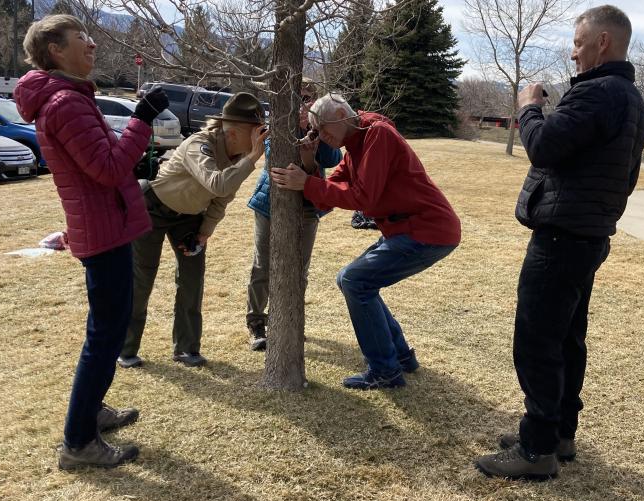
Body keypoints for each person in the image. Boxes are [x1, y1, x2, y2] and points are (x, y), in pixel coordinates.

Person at [474, 5, 644, 480]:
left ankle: (537, 450)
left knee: (537, 342)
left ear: (603, 42)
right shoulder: (631, 100)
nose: (573, 53)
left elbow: (543, 146)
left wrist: (529, 106)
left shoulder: (597, 93)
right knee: (567, 338)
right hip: (588, 235)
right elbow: (625, 176)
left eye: (577, 43)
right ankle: (559, 433)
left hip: (561, 238)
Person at [14, 14, 170, 469]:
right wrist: (142, 118)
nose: (93, 43)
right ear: (55, 50)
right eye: (81, 37)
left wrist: (135, 133)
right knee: (105, 337)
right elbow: (108, 169)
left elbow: (103, 162)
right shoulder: (65, 103)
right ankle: (79, 441)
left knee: (106, 330)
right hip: (104, 234)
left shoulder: (69, 97)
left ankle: (92, 412)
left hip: (105, 227)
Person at [270, 94, 460, 390]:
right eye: (315, 130)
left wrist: (307, 184)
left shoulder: (377, 135)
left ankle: (385, 371)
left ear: (342, 116)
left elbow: (363, 197)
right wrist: (309, 164)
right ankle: (401, 356)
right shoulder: (354, 146)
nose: (320, 135)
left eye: (322, 128)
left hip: (427, 230)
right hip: (408, 230)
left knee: (355, 281)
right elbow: (329, 193)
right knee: (355, 281)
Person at [117, 93, 268, 368]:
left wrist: (204, 232)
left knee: (192, 281)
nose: (259, 140)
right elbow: (218, 184)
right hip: (152, 208)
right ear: (233, 133)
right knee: (142, 278)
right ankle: (126, 349)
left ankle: (186, 349)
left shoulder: (239, 154)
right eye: (255, 134)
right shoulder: (199, 144)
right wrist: (254, 157)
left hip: (190, 218)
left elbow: (223, 198)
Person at [245, 85, 342, 351]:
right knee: (263, 265)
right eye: (297, 98)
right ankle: (256, 323)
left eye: (307, 98)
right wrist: (293, 132)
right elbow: (271, 157)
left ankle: (290, 322)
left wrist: (312, 129)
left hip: (308, 204)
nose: (302, 104)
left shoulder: (321, 125)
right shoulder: (278, 122)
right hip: (270, 202)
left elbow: (333, 158)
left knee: (300, 269)